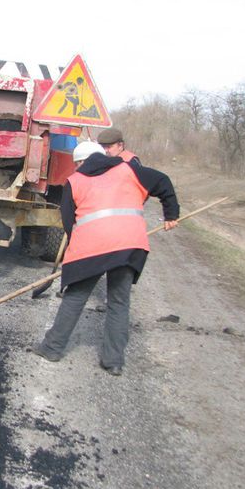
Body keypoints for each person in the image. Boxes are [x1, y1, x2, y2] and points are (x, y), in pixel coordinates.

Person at [30, 129, 180, 375]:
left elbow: (68, 223)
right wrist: (171, 213)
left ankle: (52, 348)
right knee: (119, 303)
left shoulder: (75, 180)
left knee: (75, 297)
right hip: (129, 245)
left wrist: (76, 255)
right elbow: (162, 181)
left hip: (92, 248)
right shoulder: (128, 170)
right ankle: (113, 361)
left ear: (79, 162)